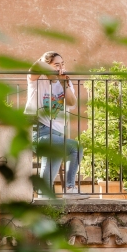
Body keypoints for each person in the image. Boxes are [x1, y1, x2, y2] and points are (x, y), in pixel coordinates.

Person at [25, 51, 88, 199]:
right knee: (76, 148)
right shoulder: (37, 80)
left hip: (57, 133)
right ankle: (70, 188)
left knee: (47, 179)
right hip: (40, 131)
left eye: (62, 64)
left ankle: (44, 200)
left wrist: (63, 83)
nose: (61, 68)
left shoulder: (65, 81)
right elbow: (36, 66)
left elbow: (72, 102)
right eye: (56, 65)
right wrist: (51, 74)